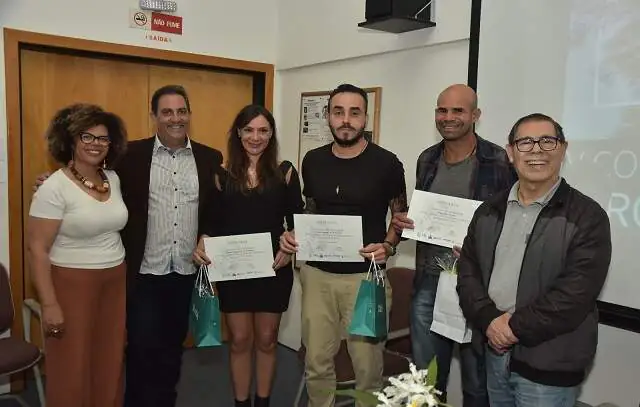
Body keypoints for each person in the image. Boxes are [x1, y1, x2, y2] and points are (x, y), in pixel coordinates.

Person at [457, 113, 611, 407]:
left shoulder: (588, 217)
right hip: (493, 353)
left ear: (563, 150)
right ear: (511, 152)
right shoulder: (489, 210)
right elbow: (468, 271)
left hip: (549, 363)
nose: (537, 150)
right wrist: (490, 320)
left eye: (547, 141)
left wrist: (512, 328)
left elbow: (575, 294)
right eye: (525, 142)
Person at [279, 83, 408, 407]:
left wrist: (388, 247)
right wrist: (295, 234)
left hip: (365, 279)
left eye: (354, 112)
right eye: (339, 112)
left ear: (365, 118)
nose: (346, 120)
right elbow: (311, 208)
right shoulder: (313, 160)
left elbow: (400, 216)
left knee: (367, 366)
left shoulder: (387, 163)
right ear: (328, 116)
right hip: (317, 276)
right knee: (317, 362)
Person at [391, 84, 516, 406]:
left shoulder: (499, 161)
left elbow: (511, 224)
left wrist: (481, 247)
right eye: (442, 110)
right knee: (427, 382)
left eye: (457, 111)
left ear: (475, 115)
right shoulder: (427, 159)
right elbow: (423, 217)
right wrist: (407, 223)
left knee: (478, 386)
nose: (448, 117)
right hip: (429, 284)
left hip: (478, 289)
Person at [119, 85, 224, 407]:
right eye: (167, 112)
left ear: (189, 114)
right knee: (140, 350)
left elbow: (214, 209)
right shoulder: (130, 155)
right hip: (145, 273)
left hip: (185, 272)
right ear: (153, 116)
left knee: (173, 350)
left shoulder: (210, 158)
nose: (175, 119)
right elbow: (93, 178)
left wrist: (207, 234)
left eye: (181, 111)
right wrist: (55, 178)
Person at [193, 104, 304, 407]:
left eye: (263, 130)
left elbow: (297, 222)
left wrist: (288, 243)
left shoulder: (286, 172)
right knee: (240, 339)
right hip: (233, 268)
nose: (256, 137)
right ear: (238, 133)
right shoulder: (221, 174)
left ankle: (263, 401)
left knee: (267, 340)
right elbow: (210, 222)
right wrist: (203, 240)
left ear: (271, 134)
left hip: (273, 265)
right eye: (249, 130)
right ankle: (241, 402)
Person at [27, 103, 129, 407]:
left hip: (114, 279)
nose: (95, 144)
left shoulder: (113, 178)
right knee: (71, 366)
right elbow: (37, 249)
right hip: (71, 283)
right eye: (87, 137)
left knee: (109, 360)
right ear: (71, 140)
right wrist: (49, 304)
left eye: (102, 138)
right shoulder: (53, 187)